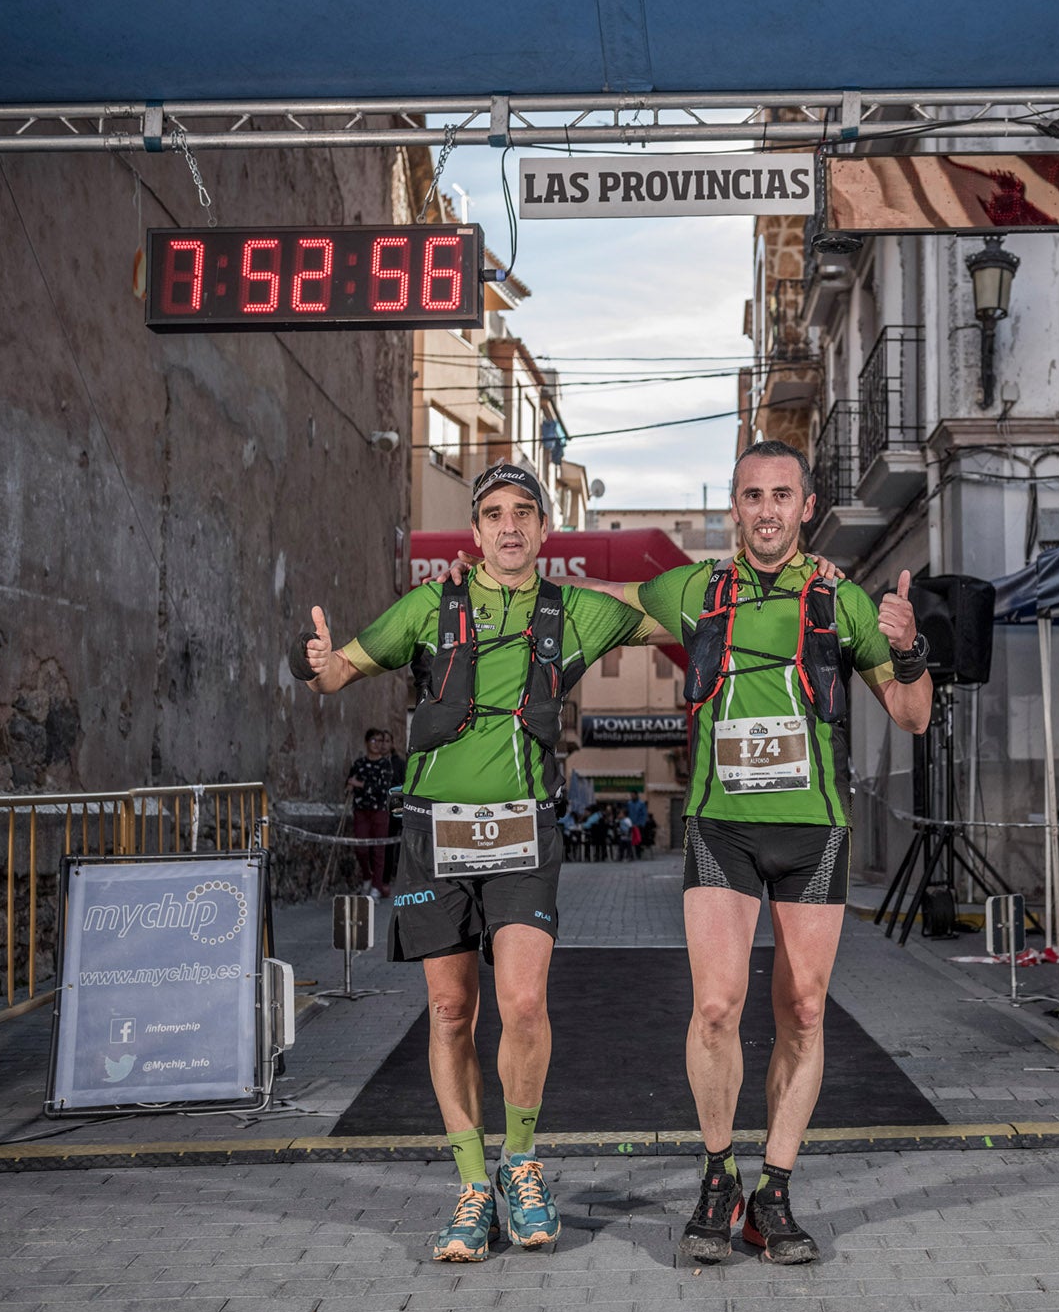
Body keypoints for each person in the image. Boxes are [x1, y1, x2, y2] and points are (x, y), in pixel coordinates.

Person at [291, 463, 653, 1263]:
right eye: (495, 513)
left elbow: (682, 614)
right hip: (432, 829)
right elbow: (338, 672)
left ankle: (521, 1164)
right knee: (452, 1011)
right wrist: (313, 658)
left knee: (522, 1003)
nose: (511, 526)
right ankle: (469, 1184)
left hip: (524, 826)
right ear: (476, 530)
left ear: (544, 528)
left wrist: (796, 569)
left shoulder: (577, 610)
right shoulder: (431, 604)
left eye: (525, 512)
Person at [616, 439, 932, 1266]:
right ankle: (718, 1176)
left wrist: (910, 647)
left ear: (804, 504)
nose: (765, 509)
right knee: (716, 1006)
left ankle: (775, 1193)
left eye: (781, 494)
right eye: (751, 495)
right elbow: (601, 617)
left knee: (803, 1009)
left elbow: (912, 713)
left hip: (814, 829)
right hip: (721, 823)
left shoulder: (841, 597)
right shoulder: (694, 589)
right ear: (734, 506)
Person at [346, 728, 401, 896]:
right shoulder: (359, 763)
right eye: (374, 740)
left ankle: (376, 887)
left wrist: (360, 785)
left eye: (380, 740)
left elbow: (383, 788)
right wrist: (349, 786)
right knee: (361, 848)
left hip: (379, 811)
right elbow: (349, 781)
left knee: (379, 850)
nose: (377, 744)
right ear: (367, 742)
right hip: (361, 810)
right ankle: (367, 877)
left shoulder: (386, 765)